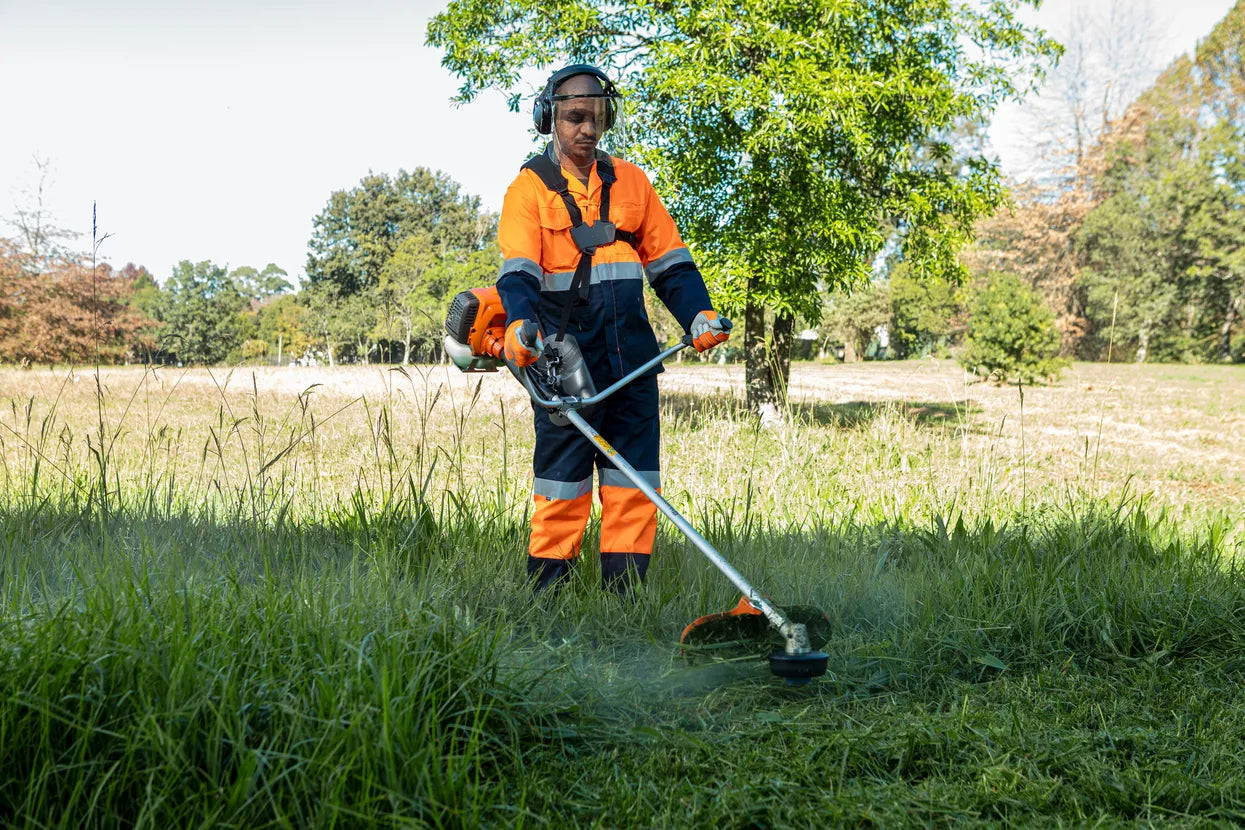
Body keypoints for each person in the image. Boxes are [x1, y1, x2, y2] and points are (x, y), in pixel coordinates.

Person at [496, 63, 729, 595]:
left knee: (634, 484)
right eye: (575, 117)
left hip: (634, 361)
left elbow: (670, 263)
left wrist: (698, 314)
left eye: (596, 116)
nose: (587, 128)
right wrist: (520, 326)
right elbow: (519, 273)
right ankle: (547, 602)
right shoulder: (528, 190)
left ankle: (624, 603)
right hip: (565, 366)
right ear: (549, 118)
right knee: (562, 488)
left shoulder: (633, 183)